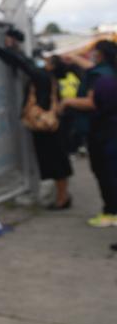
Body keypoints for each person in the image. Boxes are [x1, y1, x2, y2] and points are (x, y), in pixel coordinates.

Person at [0, 28, 72, 209]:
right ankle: (63, 196)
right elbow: (26, 62)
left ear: (52, 66)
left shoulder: (43, 76)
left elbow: (23, 64)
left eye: (48, 59)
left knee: (56, 163)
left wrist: (4, 47)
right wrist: (15, 47)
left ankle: (62, 198)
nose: (44, 60)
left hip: (46, 127)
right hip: (53, 126)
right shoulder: (49, 77)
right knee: (59, 162)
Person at [61, 40, 117, 227]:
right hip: (108, 129)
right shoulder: (107, 70)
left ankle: (111, 212)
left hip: (101, 131)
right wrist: (75, 58)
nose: (91, 54)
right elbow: (92, 68)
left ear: (99, 54)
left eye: (93, 52)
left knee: (104, 172)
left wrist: (68, 102)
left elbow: (92, 103)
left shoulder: (99, 76)